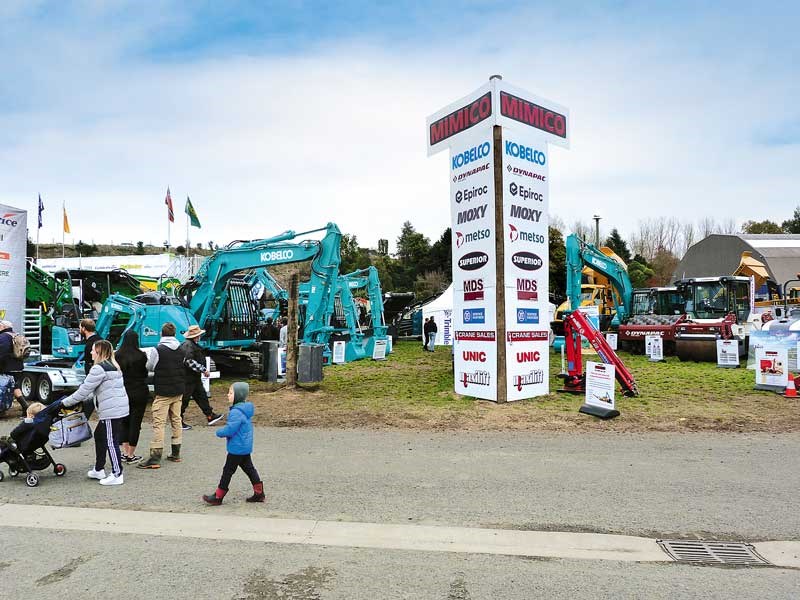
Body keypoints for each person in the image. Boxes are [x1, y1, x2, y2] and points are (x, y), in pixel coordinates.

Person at [61, 340, 129, 486]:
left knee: (111, 441)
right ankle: (99, 468)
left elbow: (84, 390)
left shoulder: (98, 368)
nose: (90, 353)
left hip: (111, 410)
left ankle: (117, 473)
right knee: (100, 435)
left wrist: (64, 403)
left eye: (93, 350)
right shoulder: (114, 366)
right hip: (118, 408)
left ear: (99, 352)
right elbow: (99, 389)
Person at [202, 382, 264, 505]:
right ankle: (259, 493)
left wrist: (219, 432)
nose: (228, 395)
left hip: (236, 448)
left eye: (231, 393)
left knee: (227, 471)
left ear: (238, 395)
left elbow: (230, 430)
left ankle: (218, 496)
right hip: (244, 447)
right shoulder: (245, 409)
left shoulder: (236, 412)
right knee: (250, 469)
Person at [138, 322, 186, 469]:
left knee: (159, 423)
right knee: (176, 420)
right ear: (174, 333)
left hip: (163, 391)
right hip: (178, 388)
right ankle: (176, 452)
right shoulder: (181, 349)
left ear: (161, 333)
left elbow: (150, 366)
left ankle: (155, 456)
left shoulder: (157, 350)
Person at [179, 325, 223, 430]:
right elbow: (189, 361)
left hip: (193, 378)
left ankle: (210, 416)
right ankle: (178, 421)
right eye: (199, 335)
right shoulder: (188, 345)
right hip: (188, 378)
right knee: (184, 400)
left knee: (202, 396)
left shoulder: (190, 345)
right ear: (196, 336)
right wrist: (203, 369)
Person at [116, 330, 150, 463]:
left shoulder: (117, 355)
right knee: (136, 423)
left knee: (124, 422)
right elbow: (145, 373)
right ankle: (131, 453)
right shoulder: (142, 355)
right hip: (139, 390)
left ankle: (124, 452)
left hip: (123, 390)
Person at [0, 320, 26, 411]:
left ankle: (3, 407)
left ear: (3, 327)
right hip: (18, 366)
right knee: (15, 387)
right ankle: (25, 407)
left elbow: (2, 353)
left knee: (6, 386)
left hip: (7, 367)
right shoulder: (16, 335)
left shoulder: (3, 337)